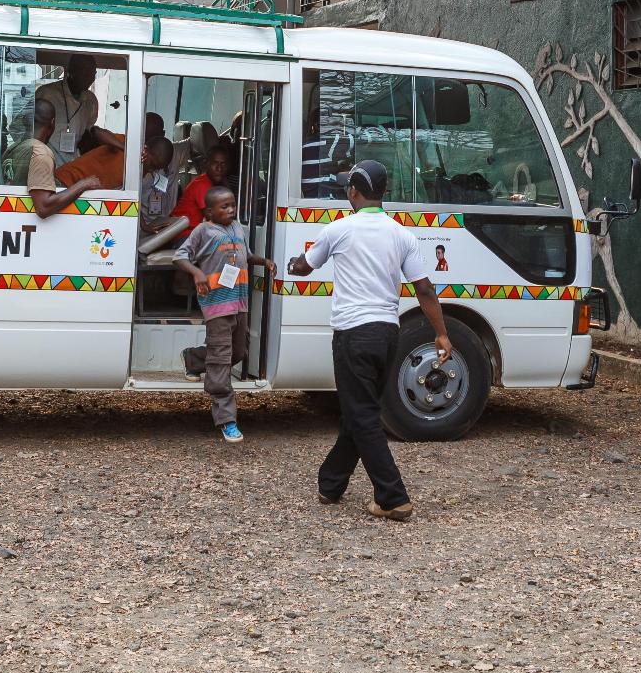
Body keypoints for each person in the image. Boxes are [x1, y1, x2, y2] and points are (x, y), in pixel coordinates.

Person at [286, 159, 452, 521]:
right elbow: (423, 287)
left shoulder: (339, 230)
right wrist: (441, 332)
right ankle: (331, 484)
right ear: (382, 193)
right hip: (388, 334)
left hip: (352, 334)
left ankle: (393, 496)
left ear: (354, 192)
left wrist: (293, 264)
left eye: (348, 186)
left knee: (362, 415)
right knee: (359, 410)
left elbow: (304, 267)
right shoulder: (402, 234)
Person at [173, 186, 274, 442]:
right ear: (209, 211)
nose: (231, 210)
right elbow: (180, 257)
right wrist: (197, 273)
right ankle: (227, 419)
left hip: (239, 303)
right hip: (217, 306)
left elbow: (245, 255)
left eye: (232, 205)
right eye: (224, 207)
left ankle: (194, 359)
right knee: (220, 362)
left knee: (238, 353)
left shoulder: (237, 227)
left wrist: (263, 262)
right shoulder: (202, 231)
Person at [16, 97, 104, 219]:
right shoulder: (41, 154)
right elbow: (43, 207)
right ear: (52, 124)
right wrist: (84, 184)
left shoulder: (16, 148)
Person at [137, 136, 192, 255]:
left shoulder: (174, 152)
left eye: (158, 167)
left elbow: (197, 139)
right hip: (139, 227)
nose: (152, 170)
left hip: (161, 225)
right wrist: (143, 225)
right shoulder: (135, 162)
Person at [171, 144, 234, 232]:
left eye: (223, 164)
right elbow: (213, 217)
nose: (219, 168)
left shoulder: (218, 184)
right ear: (206, 164)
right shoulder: (202, 184)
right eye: (215, 163)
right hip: (184, 234)